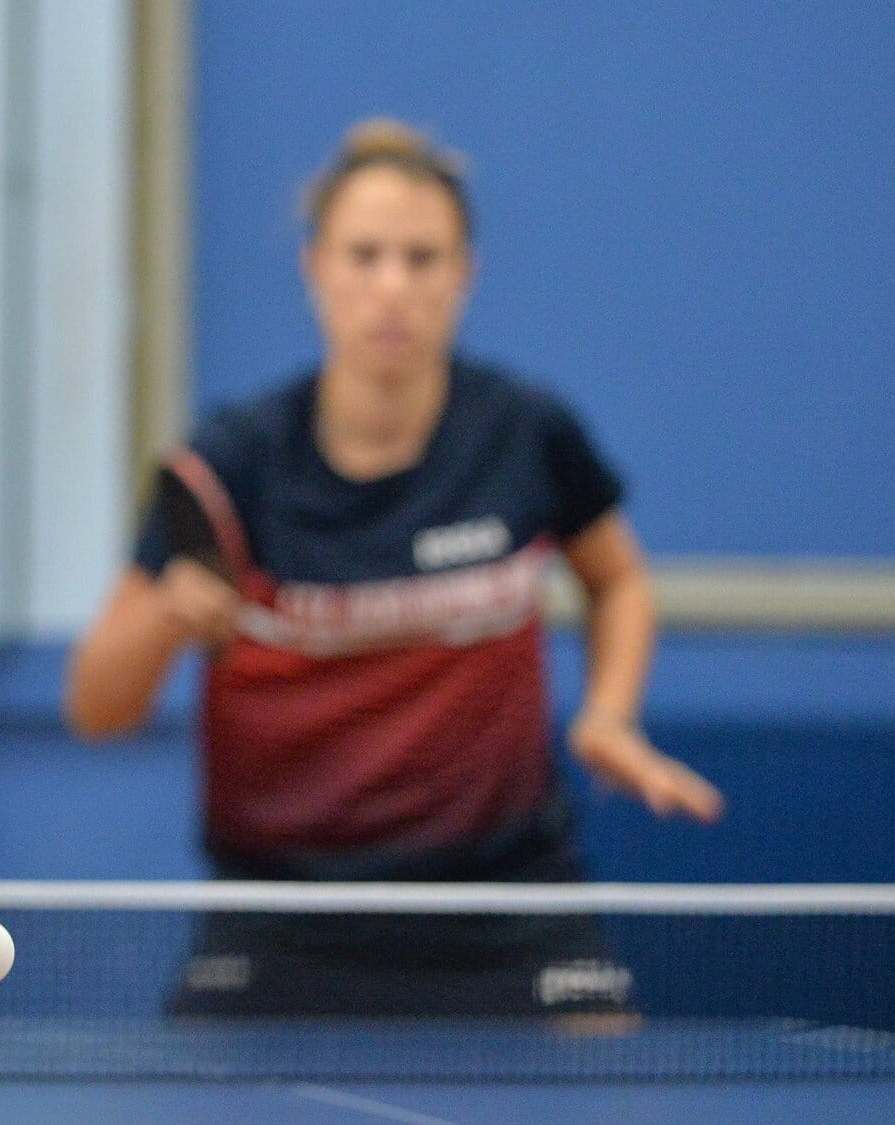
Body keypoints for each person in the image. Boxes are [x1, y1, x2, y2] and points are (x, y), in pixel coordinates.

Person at [65, 120, 724, 1018]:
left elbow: (617, 577)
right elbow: (97, 709)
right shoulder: (230, 467)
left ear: (466, 275)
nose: (392, 287)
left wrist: (608, 714)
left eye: (423, 258)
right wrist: (166, 618)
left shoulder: (525, 434)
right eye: (364, 254)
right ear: (314, 267)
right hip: (279, 914)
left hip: (508, 900)